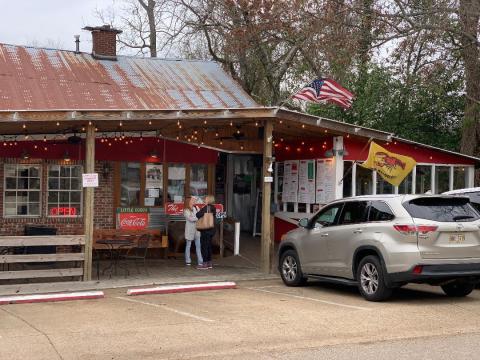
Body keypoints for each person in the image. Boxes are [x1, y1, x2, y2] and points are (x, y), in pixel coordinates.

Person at [196, 195, 217, 269]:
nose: (204, 199)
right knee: (209, 246)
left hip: (205, 230)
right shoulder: (214, 208)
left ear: (209, 200)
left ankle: (204, 264)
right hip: (212, 230)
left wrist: (201, 209)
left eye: (206, 198)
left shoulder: (206, 207)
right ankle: (209, 263)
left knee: (204, 246)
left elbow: (197, 215)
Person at [183, 196, 203, 267]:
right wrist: (198, 217)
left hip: (197, 230)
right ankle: (188, 261)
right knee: (188, 245)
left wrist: (198, 216)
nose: (194, 201)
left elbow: (201, 216)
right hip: (189, 230)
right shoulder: (186, 210)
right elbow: (191, 219)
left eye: (194, 200)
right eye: (192, 200)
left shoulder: (196, 208)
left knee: (198, 246)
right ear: (189, 201)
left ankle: (200, 261)